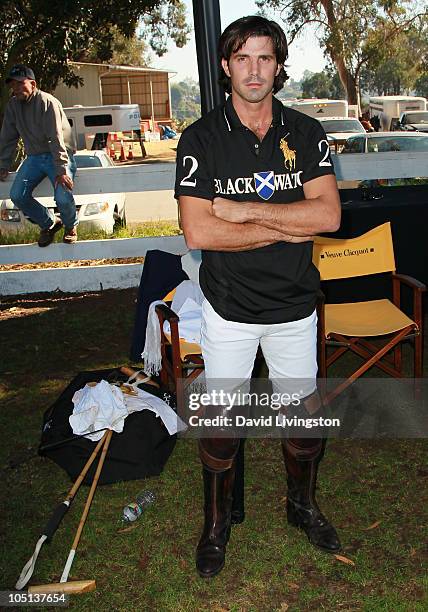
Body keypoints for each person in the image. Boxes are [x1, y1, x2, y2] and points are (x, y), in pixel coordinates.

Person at [175, 15, 343, 579]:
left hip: (295, 306)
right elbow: (199, 232)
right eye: (243, 58)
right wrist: (293, 224)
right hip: (229, 307)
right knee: (221, 425)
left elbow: (329, 216)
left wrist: (246, 211)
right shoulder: (200, 138)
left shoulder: (306, 131)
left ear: (278, 65)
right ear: (226, 65)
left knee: (303, 424)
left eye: (265, 58)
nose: (254, 70)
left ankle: (302, 505)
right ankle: (217, 522)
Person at [0, 65, 78, 246]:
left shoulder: (47, 102)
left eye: (20, 84)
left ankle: (70, 226)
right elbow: (7, 138)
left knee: (62, 196)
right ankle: (49, 223)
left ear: (33, 84)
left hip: (59, 154)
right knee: (17, 195)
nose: (16, 89)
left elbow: (56, 138)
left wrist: (61, 170)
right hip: (34, 157)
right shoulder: (13, 106)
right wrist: (3, 164)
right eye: (13, 85)